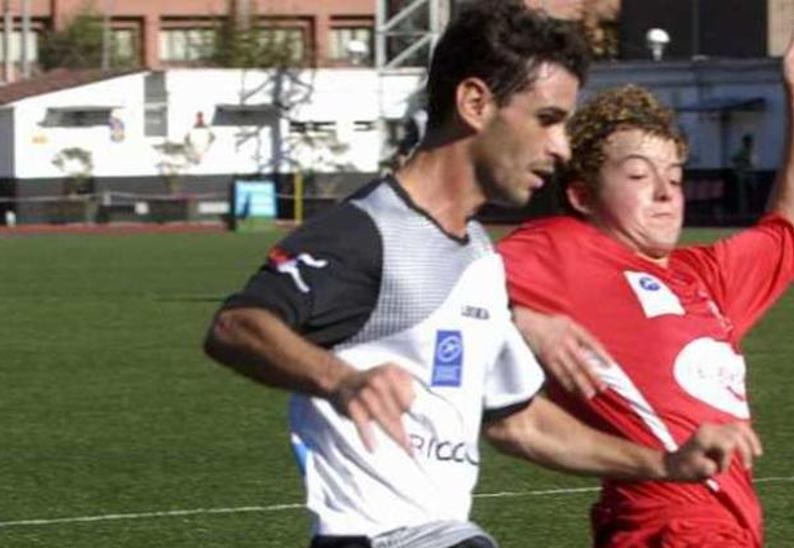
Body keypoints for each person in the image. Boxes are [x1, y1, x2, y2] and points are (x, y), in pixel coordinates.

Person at [202, 2, 759, 547]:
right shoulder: (371, 231)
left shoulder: (478, 257)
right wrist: (340, 379)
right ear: (474, 102)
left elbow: (520, 424)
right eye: (547, 120)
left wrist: (663, 462)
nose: (561, 147)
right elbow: (237, 325)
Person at [497, 7, 794, 547]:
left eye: (676, 176)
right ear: (582, 195)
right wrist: (521, 321)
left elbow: (792, 232)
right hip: (666, 524)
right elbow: (437, 282)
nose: (665, 191)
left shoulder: (704, 276)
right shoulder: (562, 250)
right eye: (638, 174)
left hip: (731, 525)